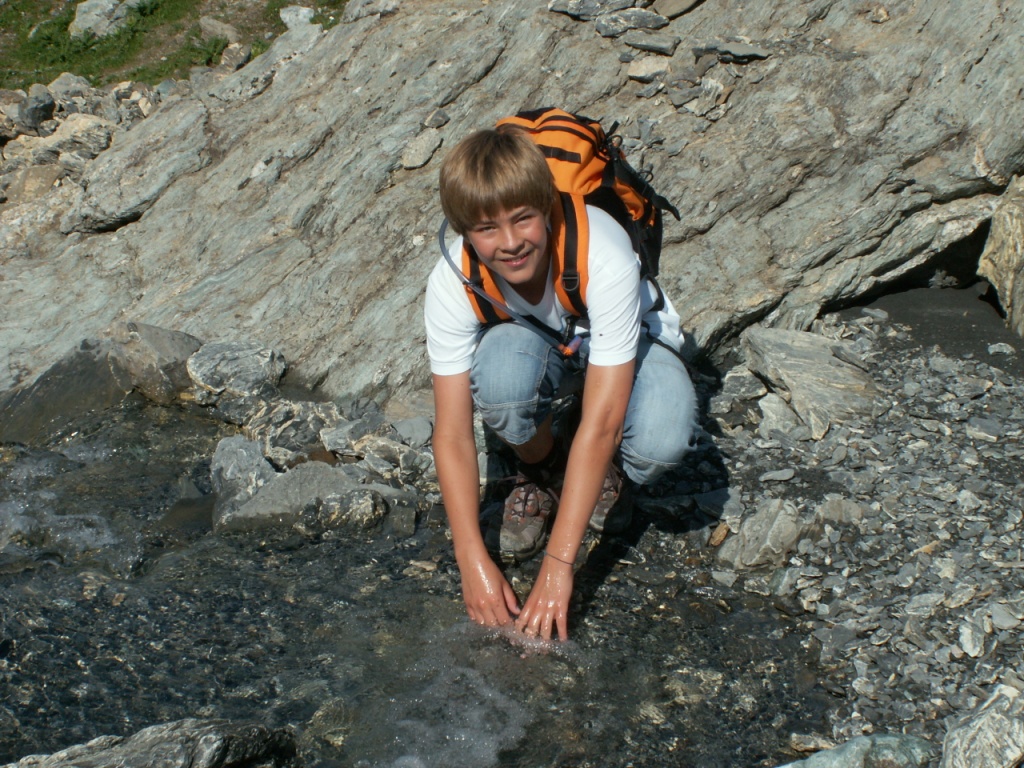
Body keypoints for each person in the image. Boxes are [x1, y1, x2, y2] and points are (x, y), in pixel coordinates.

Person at [424, 125, 697, 642]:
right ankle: (542, 465)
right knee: (501, 380)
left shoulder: (602, 252)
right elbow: (453, 433)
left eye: (524, 218)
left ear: (546, 206)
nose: (510, 244)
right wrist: (471, 560)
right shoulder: (450, 282)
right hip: (541, 345)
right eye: (486, 229)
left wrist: (557, 565)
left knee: (659, 442)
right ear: (462, 229)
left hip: (631, 344)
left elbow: (604, 422)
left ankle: (603, 475)